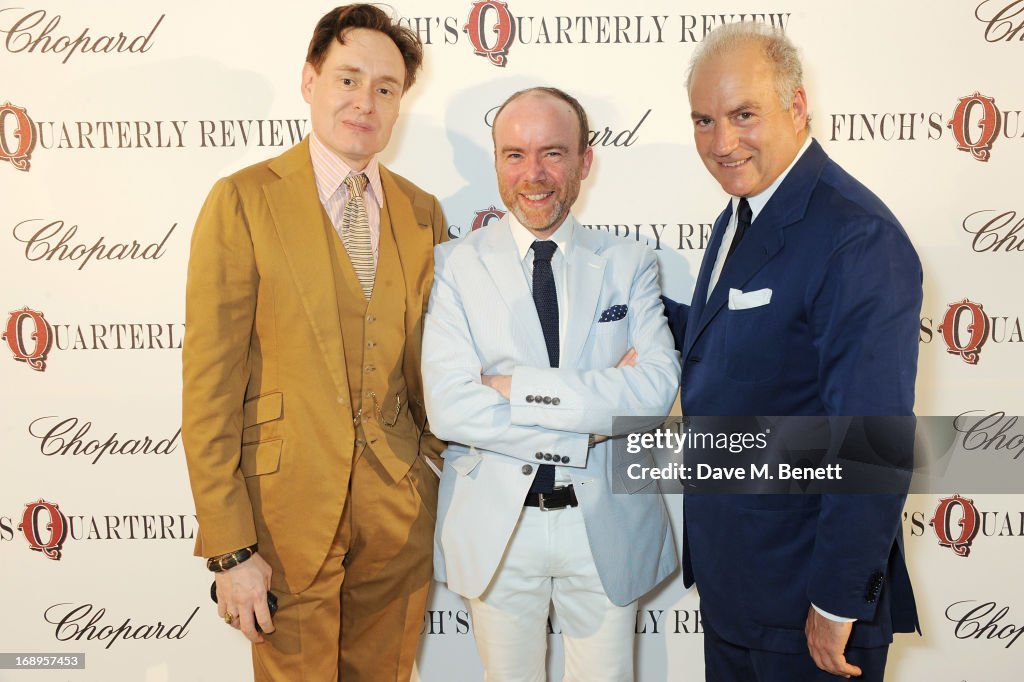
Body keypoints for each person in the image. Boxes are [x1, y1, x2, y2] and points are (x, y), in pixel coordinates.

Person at [181, 5, 445, 680]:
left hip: (399, 520)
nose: (366, 101)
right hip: (282, 520)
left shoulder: (423, 214)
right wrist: (231, 549)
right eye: (349, 79)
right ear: (310, 79)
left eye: (386, 88)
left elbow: (437, 369)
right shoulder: (243, 200)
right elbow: (209, 390)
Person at [662, 22, 921, 681]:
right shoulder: (747, 206)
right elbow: (763, 343)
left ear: (797, 105)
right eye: (703, 120)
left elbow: (873, 440)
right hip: (739, 591)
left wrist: (838, 601)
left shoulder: (855, 236)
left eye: (743, 115)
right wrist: (629, 305)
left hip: (807, 611)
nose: (722, 143)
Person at [421, 87, 680, 681]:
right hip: (497, 532)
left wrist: (515, 387)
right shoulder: (452, 267)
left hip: (608, 526)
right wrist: (584, 428)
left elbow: (654, 391)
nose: (532, 174)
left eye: (553, 154)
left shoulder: (630, 261)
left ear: (585, 160)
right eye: (514, 154)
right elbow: (452, 409)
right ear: (495, 162)